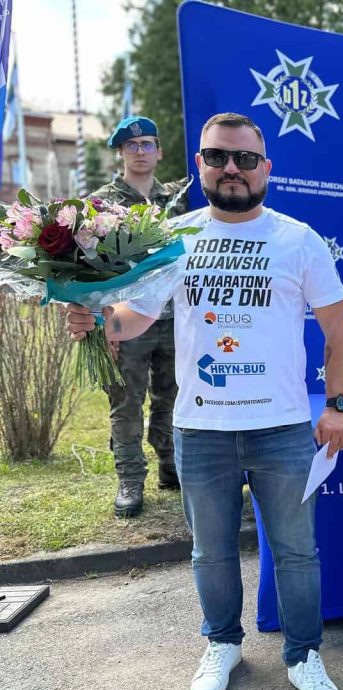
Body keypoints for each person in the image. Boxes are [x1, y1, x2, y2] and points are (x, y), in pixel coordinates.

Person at [67, 113, 343, 690]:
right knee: (210, 552)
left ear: (265, 168)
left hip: (281, 427)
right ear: (199, 165)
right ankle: (222, 643)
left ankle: (304, 654)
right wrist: (96, 318)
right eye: (218, 157)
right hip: (201, 428)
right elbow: (136, 317)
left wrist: (336, 404)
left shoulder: (299, 239)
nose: (231, 169)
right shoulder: (176, 237)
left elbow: (339, 330)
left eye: (245, 159)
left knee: (297, 552)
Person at [90, 116, 190, 518]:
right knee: (126, 401)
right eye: (132, 146)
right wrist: (100, 322)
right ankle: (130, 478)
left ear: (159, 151)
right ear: (121, 152)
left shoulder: (179, 200)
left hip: (174, 317)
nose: (140, 151)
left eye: (147, 144)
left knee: (173, 396)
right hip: (126, 318)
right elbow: (89, 267)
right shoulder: (100, 203)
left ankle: (170, 464)